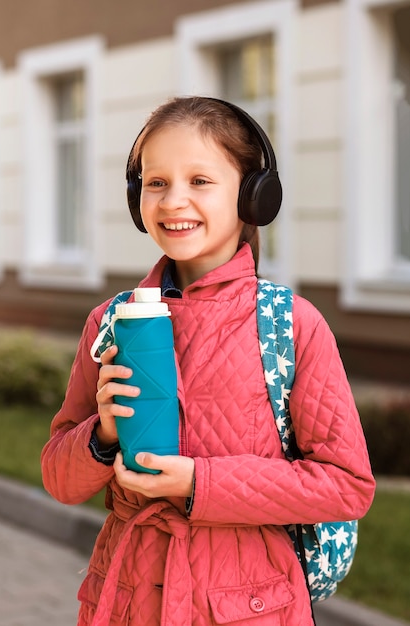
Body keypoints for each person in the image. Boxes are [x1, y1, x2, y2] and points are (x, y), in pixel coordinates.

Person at [41, 96, 376, 626]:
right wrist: (100, 437)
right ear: (136, 199)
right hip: (126, 600)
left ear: (253, 197)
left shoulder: (291, 326)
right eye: (156, 182)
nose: (174, 200)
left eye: (200, 181)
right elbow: (60, 480)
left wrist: (197, 482)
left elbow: (347, 485)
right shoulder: (112, 320)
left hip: (247, 607)